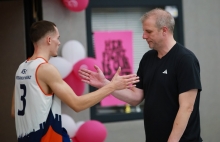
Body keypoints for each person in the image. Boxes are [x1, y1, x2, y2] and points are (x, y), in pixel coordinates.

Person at [79, 8, 202, 142]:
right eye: (143, 31)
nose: (143, 36)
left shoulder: (185, 60)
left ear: (164, 30)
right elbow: (136, 97)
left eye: (148, 32)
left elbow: (187, 107)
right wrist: (106, 84)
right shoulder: (148, 58)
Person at [11, 20, 139, 142]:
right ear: (49, 40)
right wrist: (112, 86)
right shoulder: (45, 69)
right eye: (58, 38)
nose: (59, 42)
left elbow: (14, 111)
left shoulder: (22, 67)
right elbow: (77, 104)